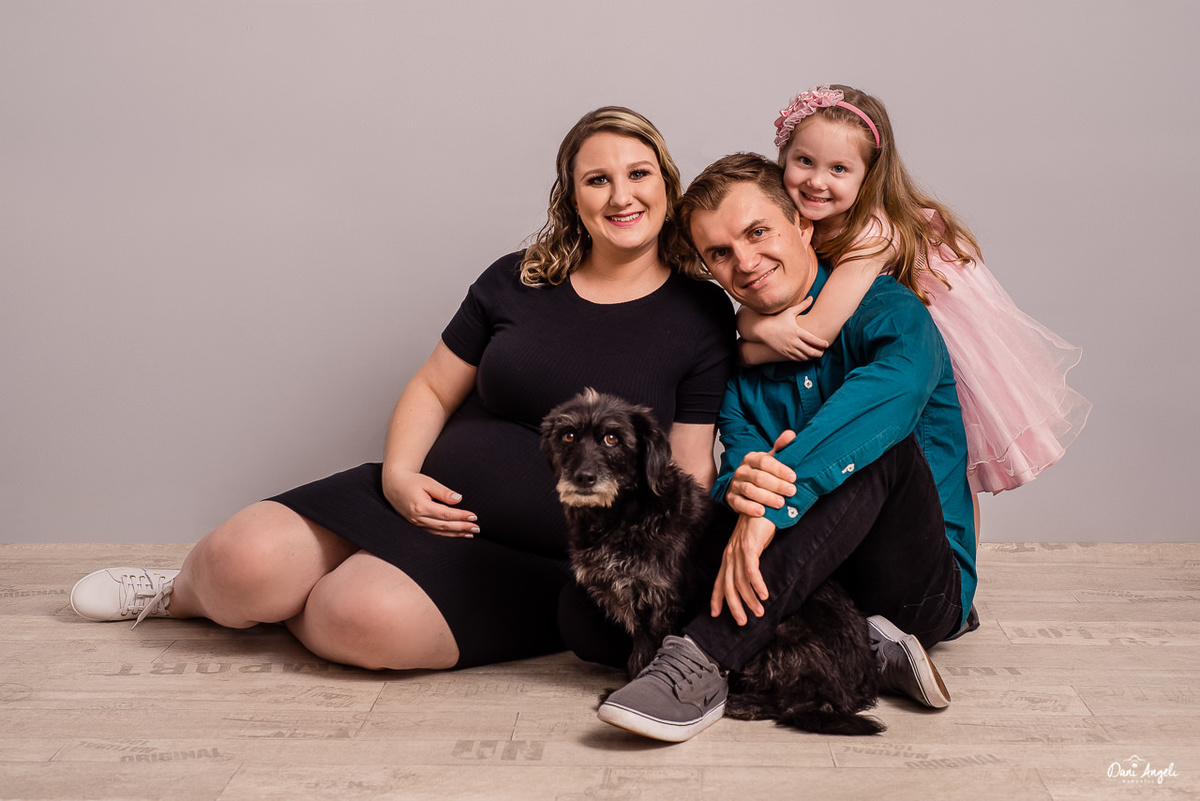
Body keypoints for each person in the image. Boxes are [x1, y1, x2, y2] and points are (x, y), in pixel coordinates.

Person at [69, 107, 736, 672]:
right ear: (572, 196)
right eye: (598, 179)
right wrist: (399, 476)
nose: (621, 196)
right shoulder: (518, 279)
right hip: (412, 496)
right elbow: (433, 389)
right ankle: (180, 595)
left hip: (545, 555)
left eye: (638, 173)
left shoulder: (699, 314)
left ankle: (301, 599)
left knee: (356, 616)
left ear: (666, 183)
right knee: (236, 562)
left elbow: (686, 469)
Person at [596, 153, 976, 742]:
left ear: (802, 223)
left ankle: (701, 660)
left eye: (757, 232)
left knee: (874, 446)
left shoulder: (891, 312)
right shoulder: (741, 366)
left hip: (918, 590)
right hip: (811, 589)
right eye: (720, 253)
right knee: (589, 613)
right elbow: (734, 468)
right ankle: (866, 648)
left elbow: (891, 402)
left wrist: (769, 509)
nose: (745, 263)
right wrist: (742, 487)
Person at [738, 84, 1090, 495]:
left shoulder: (873, 235)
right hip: (868, 343)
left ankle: (955, 541)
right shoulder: (795, 221)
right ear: (784, 157)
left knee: (941, 462)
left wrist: (745, 349)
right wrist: (756, 324)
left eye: (839, 169)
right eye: (805, 161)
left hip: (936, 343)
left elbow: (816, 332)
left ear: (869, 174)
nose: (817, 181)